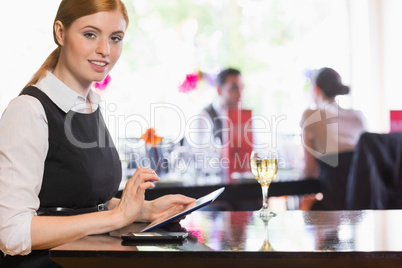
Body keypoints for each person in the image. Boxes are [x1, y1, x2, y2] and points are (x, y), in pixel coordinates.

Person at [0, 1, 195, 266]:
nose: (105, 50)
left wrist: (142, 210)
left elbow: (81, 204)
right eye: (90, 34)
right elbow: (11, 233)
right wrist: (114, 218)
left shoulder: (90, 105)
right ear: (60, 32)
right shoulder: (29, 111)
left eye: (115, 38)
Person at [299, 67, 366, 210]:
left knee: (305, 204)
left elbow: (310, 170)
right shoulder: (358, 116)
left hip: (332, 203)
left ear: (316, 88)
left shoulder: (311, 116)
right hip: (364, 201)